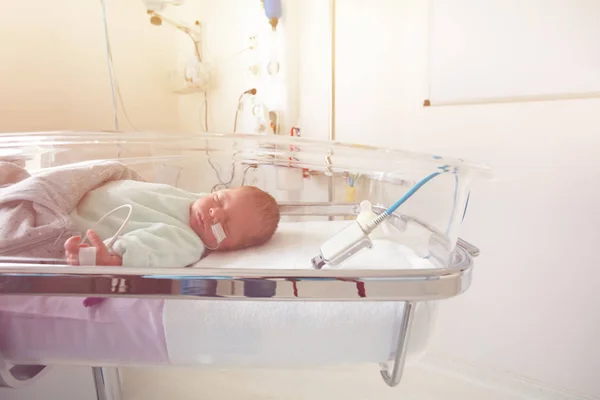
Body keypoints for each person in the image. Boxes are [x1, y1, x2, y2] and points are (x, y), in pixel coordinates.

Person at [63, 180, 280, 268]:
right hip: (81, 189)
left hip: (72, 218)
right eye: (219, 200)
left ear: (229, 248)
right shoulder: (192, 199)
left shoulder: (187, 242)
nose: (215, 214)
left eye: (226, 226)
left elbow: (148, 249)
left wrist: (110, 258)